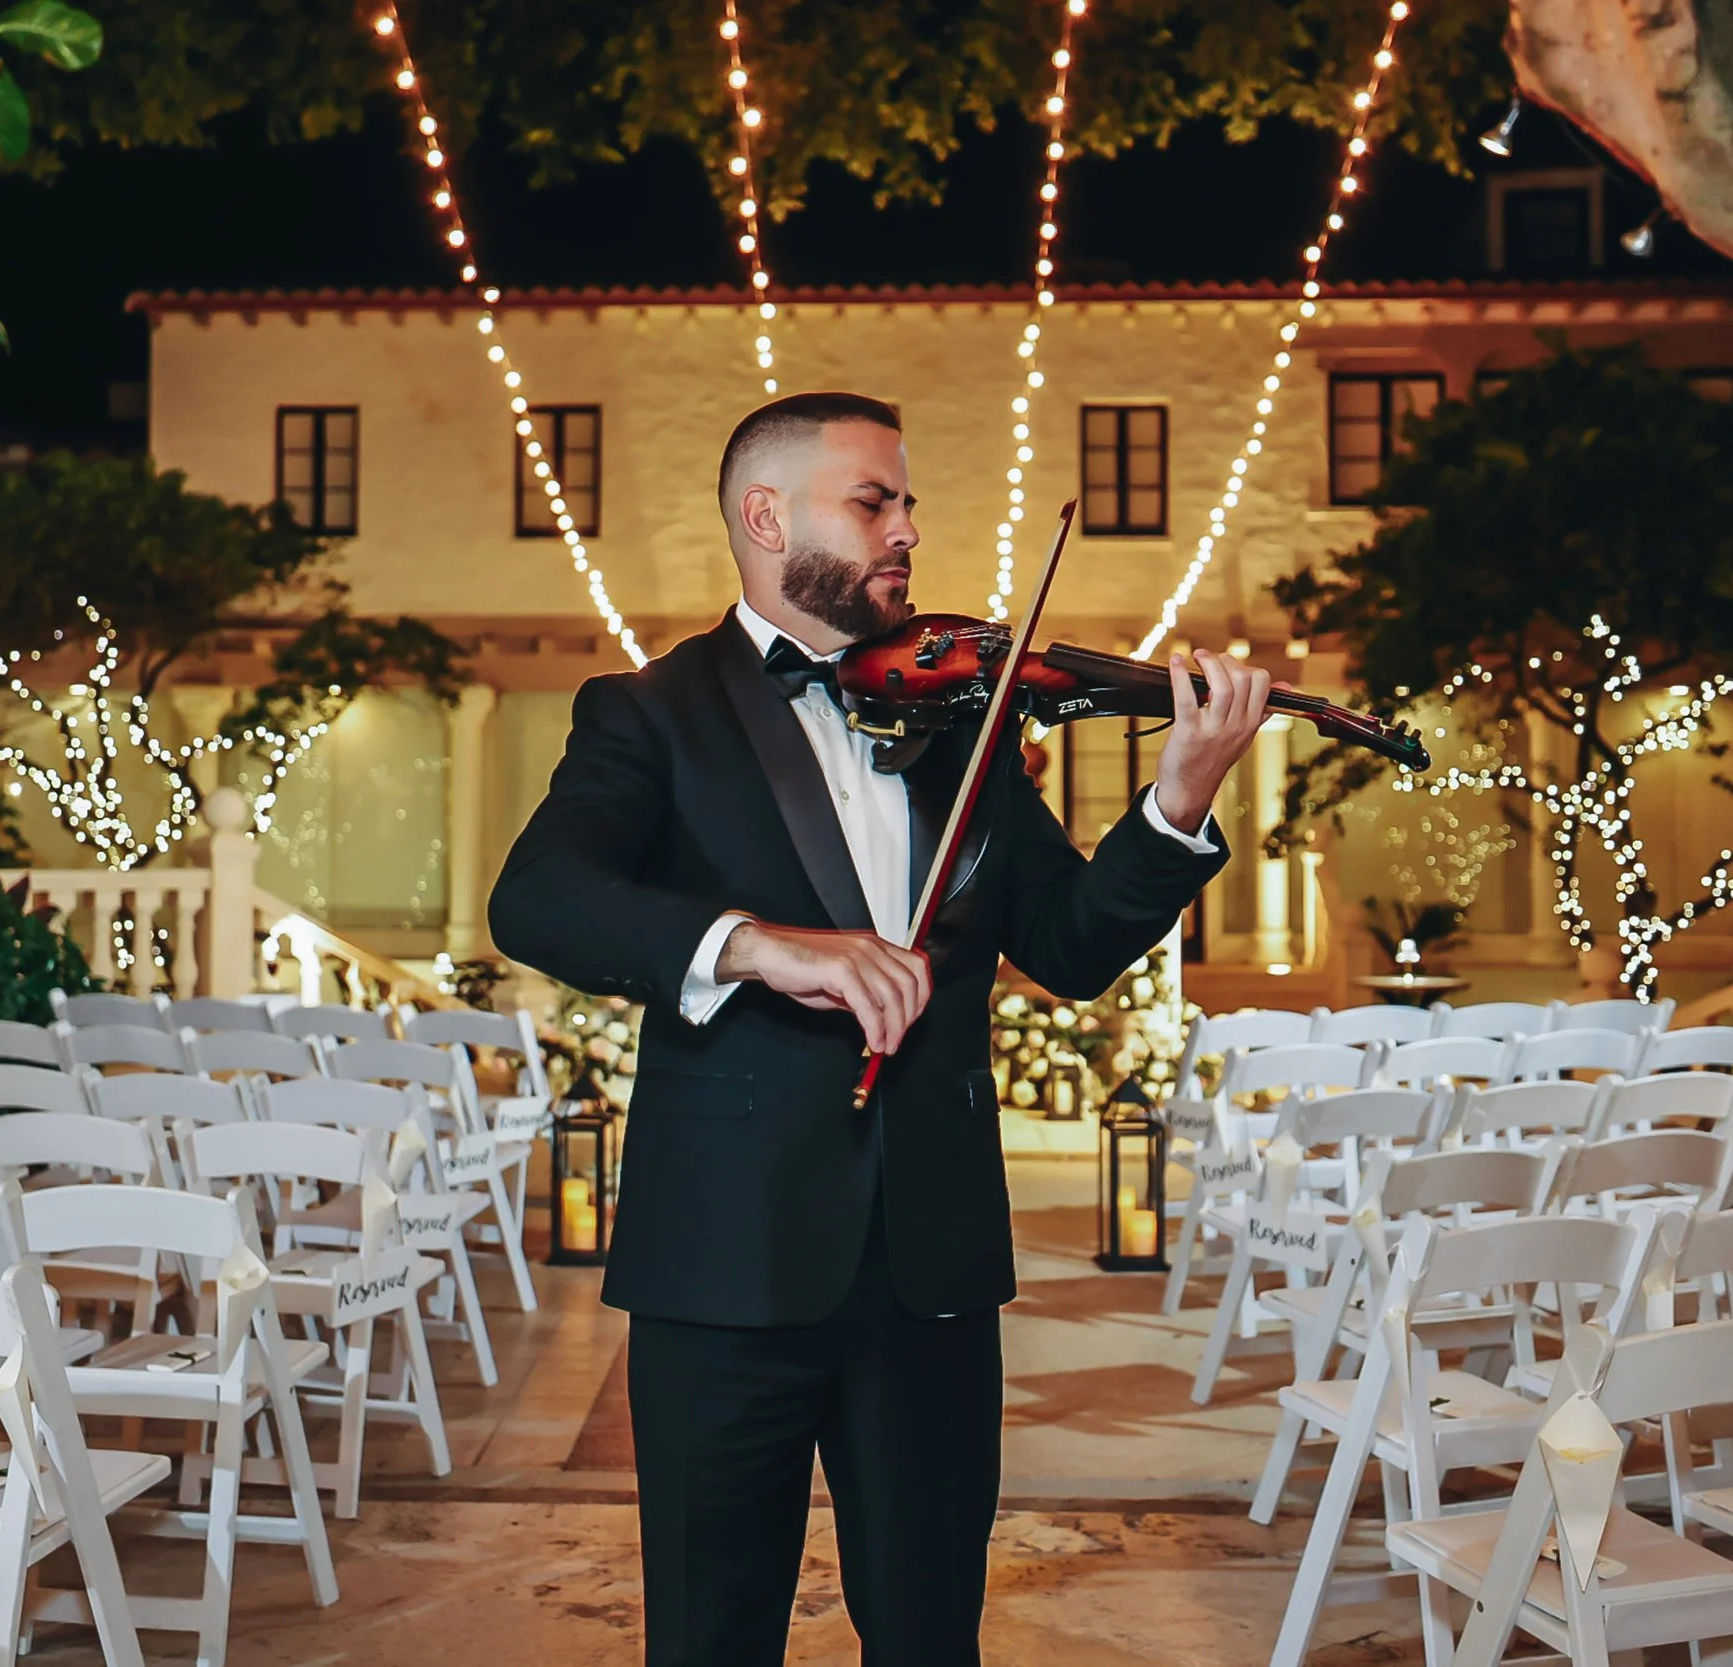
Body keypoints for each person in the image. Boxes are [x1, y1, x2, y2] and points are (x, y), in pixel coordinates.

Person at [488, 391, 1272, 1665]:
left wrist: (1177, 793)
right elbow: (538, 898)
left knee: (928, 1636)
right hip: (722, 1270)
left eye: (907, 502)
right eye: (874, 502)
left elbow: (1068, 947)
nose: (908, 528)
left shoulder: (964, 714)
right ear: (765, 515)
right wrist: (756, 943)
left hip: (930, 1266)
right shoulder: (650, 711)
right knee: (709, 1635)